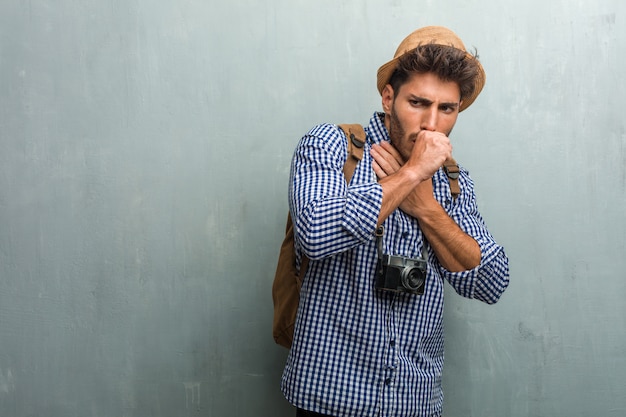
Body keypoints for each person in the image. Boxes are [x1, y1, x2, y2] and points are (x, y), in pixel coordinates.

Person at [281, 26, 510, 417]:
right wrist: (409, 176)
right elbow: (314, 234)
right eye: (418, 103)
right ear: (389, 97)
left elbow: (490, 280)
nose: (431, 124)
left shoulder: (453, 183)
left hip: (414, 402)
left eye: (447, 109)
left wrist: (426, 208)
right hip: (331, 398)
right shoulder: (331, 146)